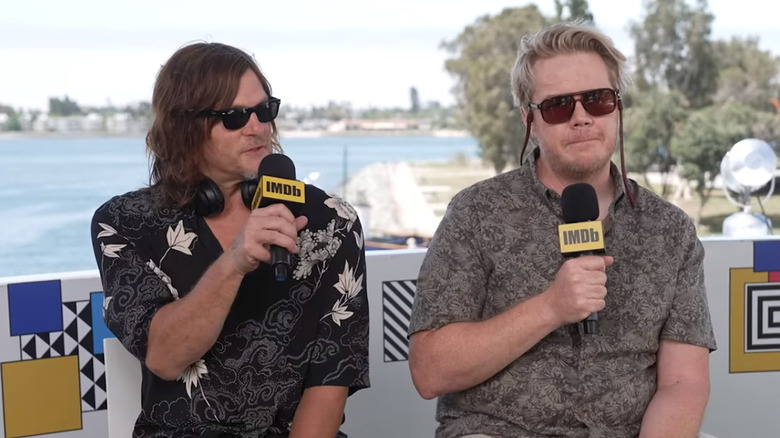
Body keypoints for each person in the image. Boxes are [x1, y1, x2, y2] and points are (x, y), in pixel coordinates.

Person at [407, 21, 716, 438]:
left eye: (597, 100)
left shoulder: (671, 231)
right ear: (530, 121)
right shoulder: (476, 213)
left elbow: (683, 385)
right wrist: (551, 307)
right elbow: (430, 371)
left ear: (618, 107)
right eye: (557, 106)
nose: (581, 118)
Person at [91, 42, 369, 438]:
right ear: (184, 127)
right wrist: (235, 260)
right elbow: (166, 357)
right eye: (235, 117)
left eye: (264, 110)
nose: (257, 127)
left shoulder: (331, 220)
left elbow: (328, 384)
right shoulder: (124, 224)